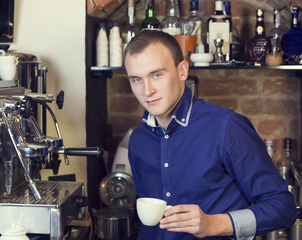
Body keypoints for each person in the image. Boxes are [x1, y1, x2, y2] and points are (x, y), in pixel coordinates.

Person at [123, 30, 297, 240]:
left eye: (156, 75)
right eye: (136, 80)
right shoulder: (138, 140)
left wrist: (215, 224)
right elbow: (151, 225)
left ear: (182, 71)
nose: (147, 90)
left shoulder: (227, 127)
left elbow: (284, 208)